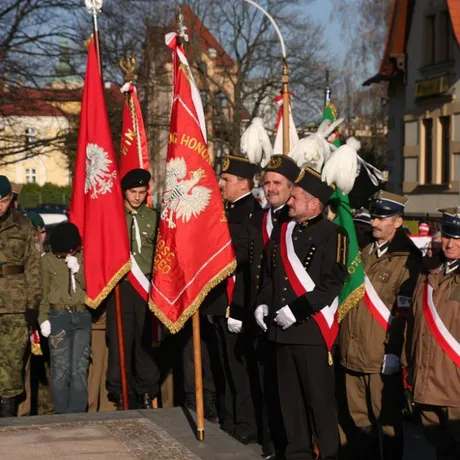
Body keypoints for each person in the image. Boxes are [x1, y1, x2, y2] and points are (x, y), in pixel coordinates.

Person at [256, 167, 349, 460]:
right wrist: (263, 302)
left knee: (318, 402)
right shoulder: (283, 230)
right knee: (290, 403)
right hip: (282, 333)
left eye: (295, 197)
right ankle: (297, 454)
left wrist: (295, 312)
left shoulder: (334, 235)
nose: (290, 202)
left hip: (311, 331)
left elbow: (330, 285)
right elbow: (271, 275)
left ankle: (329, 455)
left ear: (314, 203)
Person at [339, 190, 422, 460]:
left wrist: (394, 351)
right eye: (374, 217)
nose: (374, 223)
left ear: (398, 222)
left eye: (382, 218)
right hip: (352, 351)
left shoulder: (407, 259)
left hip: (379, 356)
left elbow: (404, 311)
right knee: (359, 421)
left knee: (386, 424)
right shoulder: (364, 251)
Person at [207, 154, 260, 443]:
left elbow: (239, 260)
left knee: (238, 369)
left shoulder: (250, 213)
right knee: (223, 366)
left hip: (237, 301)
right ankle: (229, 420)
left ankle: (244, 425)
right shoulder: (227, 211)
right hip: (219, 301)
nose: (221, 184)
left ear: (243, 183)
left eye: (226, 180)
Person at [250, 154, 299, 459]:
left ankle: (288, 445)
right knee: (265, 382)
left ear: (292, 187)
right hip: (260, 311)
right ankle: (269, 444)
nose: (269, 188)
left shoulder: (294, 219)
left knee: (287, 389)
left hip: (288, 317)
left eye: (276, 183)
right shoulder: (258, 217)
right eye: (266, 182)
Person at [405, 207, 460, 460]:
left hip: (455, 384)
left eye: (457, 237)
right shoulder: (428, 273)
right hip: (427, 379)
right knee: (440, 447)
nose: (450, 243)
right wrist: (408, 366)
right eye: (448, 235)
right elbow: (413, 323)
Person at [106, 168, 160, 410]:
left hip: (146, 287)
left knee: (144, 342)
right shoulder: (114, 217)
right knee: (120, 342)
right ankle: (121, 393)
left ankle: (147, 391)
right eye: (132, 192)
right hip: (122, 287)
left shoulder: (153, 217)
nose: (137, 197)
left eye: (141, 192)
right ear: (124, 192)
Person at [38, 222, 90, 414]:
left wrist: (78, 270)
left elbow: (91, 286)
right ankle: (61, 412)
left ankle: (77, 411)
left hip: (82, 315)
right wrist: (42, 318)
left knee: (79, 368)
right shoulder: (48, 261)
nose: (65, 255)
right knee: (60, 369)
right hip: (58, 316)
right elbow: (42, 292)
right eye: (62, 252)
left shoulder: (82, 258)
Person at [0, 176, 41, 417]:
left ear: (10, 199)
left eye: (3, 201)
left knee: (11, 362)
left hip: (15, 304)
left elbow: (33, 266)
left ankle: (6, 415)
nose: (0, 207)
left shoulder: (24, 226)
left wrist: (32, 303)